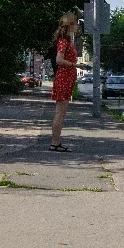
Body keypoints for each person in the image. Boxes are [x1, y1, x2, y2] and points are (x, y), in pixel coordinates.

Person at [49, 11, 81, 152]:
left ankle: (56, 142)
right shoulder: (64, 42)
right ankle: (54, 143)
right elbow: (59, 60)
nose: (78, 26)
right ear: (70, 26)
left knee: (61, 113)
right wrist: (75, 65)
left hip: (66, 79)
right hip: (63, 79)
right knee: (59, 113)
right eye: (76, 23)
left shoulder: (67, 41)